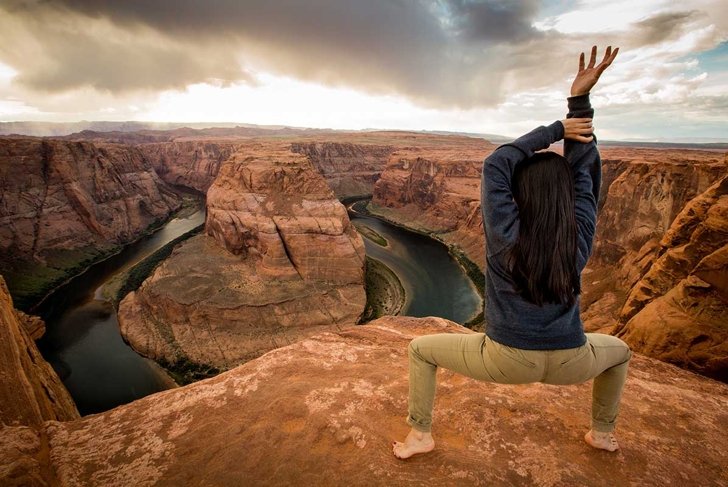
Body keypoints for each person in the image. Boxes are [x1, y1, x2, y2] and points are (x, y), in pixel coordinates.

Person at [392, 46, 632, 460]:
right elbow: (585, 174)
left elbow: (497, 163)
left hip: (506, 359)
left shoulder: (505, 234)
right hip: (571, 358)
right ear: (565, 197)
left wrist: (561, 126)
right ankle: (603, 434)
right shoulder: (579, 235)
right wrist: (581, 104)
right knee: (620, 353)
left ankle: (420, 436)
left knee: (420, 350)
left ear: (520, 194)